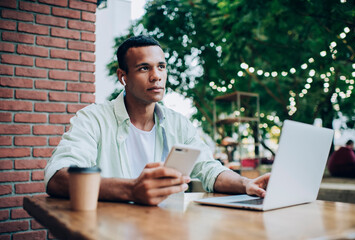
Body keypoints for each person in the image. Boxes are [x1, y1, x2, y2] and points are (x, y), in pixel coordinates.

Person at [45, 35, 270, 205]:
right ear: (123, 76)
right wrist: (132, 190)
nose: (156, 76)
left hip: (167, 230)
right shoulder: (93, 119)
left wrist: (247, 184)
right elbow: (57, 178)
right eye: (144, 68)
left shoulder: (178, 124)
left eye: (161, 66)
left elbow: (209, 169)